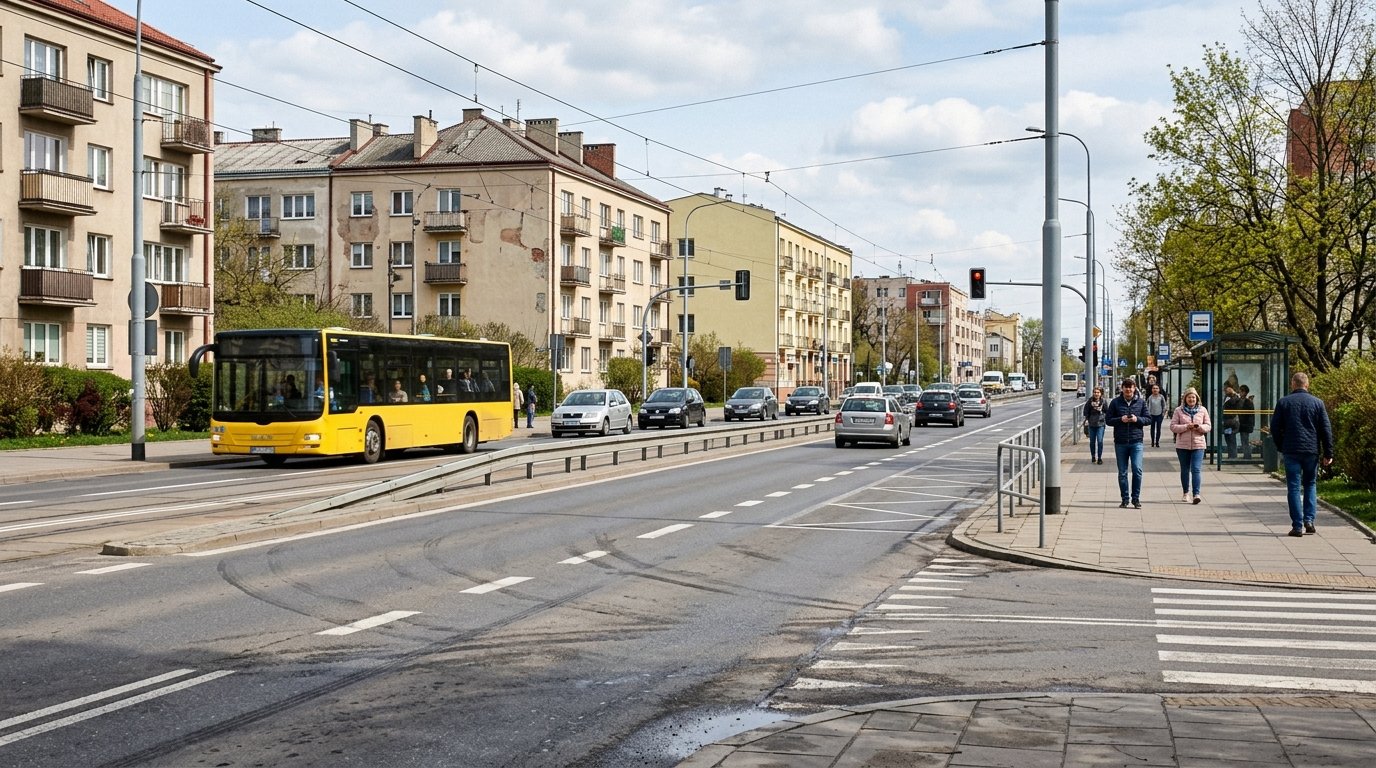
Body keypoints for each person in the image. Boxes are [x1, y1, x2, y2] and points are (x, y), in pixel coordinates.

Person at [1271, 372, 1333, 537]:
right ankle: (1309, 520)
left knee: (1293, 487)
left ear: (1293, 384)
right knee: (1310, 484)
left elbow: (1275, 428)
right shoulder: (1317, 403)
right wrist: (1328, 452)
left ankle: (1297, 526)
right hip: (1311, 450)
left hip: (1291, 450)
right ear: (1307, 384)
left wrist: (1281, 445)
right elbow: (1325, 429)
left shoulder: (1284, 402)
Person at [1105, 377, 1150, 509]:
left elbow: (1148, 419)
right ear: (1122, 388)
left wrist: (1137, 419)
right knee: (1122, 472)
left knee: (1137, 470)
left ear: (1134, 388)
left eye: (1130, 387)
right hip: (1121, 442)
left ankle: (1136, 499)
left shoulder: (1141, 402)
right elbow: (1108, 420)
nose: (1128, 390)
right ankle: (1125, 499)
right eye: (1126, 387)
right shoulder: (1115, 402)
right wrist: (1121, 419)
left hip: (1136, 442)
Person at [1169, 387, 1211, 504]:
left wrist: (1199, 427)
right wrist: (1186, 427)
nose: (1191, 399)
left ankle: (1196, 494)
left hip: (1198, 444)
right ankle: (1185, 492)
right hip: (1182, 445)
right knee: (1185, 469)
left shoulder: (1202, 410)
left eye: (1193, 397)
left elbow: (1208, 426)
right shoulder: (1178, 410)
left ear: (1197, 398)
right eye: (1189, 397)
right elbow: (1173, 426)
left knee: (1196, 469)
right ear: (1185, 399)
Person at [1084, 386, 1107, 465]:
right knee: (1092, 442)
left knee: (1100, 441)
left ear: (1101, 393)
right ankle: (1093, 456)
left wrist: (1104, 417)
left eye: (1098, 392)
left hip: (1101, 424)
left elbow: (1107, 411)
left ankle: (1099, 458)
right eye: (1095, 392)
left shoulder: (1103, 401)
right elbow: (1085, 411)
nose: (1096, 394)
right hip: (1091, 424)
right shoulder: (1089, 401)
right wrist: (1087, 419)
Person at [1221, 384, 1241, 459]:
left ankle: (1233, 456)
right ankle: (1231, 455)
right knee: (1228, 439)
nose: (1226, 391)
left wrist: (1233, 393)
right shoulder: (1226, 397)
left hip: (1232, 421)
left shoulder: (1236, 397)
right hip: (1226, 421)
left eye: (1228, 389)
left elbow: (1234, 402)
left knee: (1232, 439)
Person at [1146, 383, 1168, 448]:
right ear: (1152, 389)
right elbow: (1147, 405)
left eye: (1156, 388)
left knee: (1158, 428)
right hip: (1151, 415)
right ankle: (1152, 442)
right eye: (1154, 388)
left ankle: (1157, 442)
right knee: (1152, 428)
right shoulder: (1150, 397)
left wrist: (1163, 413)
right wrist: (1147, 413)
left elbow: (1164, 405)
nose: (1155, 389)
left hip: (1159, 415)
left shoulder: (1161, 397)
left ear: (1159, 389)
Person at [1238, 384, 1256, 461]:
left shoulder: (1248, 402)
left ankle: (1247, 455)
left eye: (1241, 391)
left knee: (1244, 440)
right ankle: (1246, 455)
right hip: (1242, 424)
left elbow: (1250, 415)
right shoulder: (1241, 400)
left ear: (1244, 392)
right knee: (1244, 440)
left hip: (1245, 424)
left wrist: (1251, 425)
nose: (1239, 393)